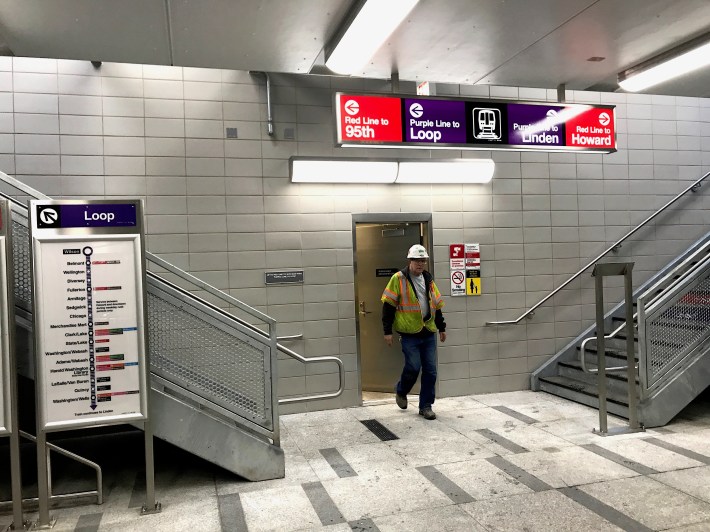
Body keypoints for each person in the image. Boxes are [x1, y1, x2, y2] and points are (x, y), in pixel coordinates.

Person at [381, 244, 446, 420]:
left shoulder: (428, 279)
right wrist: (387, 331)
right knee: (413, 366)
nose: (420, 263)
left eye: (423, 260)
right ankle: (401, 390)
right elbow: (388, 307)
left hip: (428, 331)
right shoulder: (398, 278)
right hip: (409, 333)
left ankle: (426, 406)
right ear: (410, 261)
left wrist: (442, 327)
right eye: (417, 260)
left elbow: (436, 305)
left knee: (431, 371)